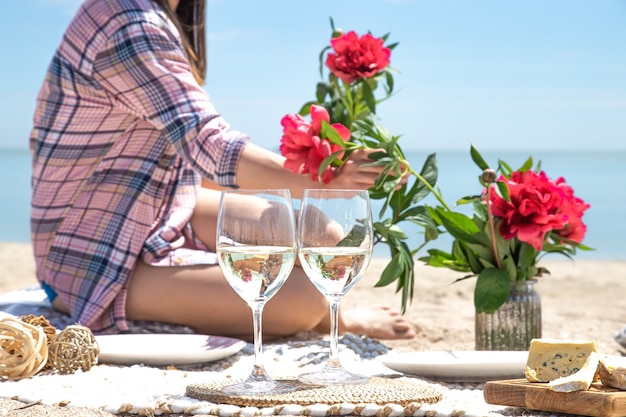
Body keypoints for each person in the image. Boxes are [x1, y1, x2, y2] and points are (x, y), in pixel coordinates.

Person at [29, 0, 416, 341]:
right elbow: (208, 143)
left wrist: (332, 169)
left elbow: (190, 151)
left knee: (326, 239)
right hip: (87, 249)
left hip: (156, 205)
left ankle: (300, 307)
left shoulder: (161, 16)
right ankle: (331, 319)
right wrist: (328, 176)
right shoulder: (131, 24)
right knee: (305, 299)